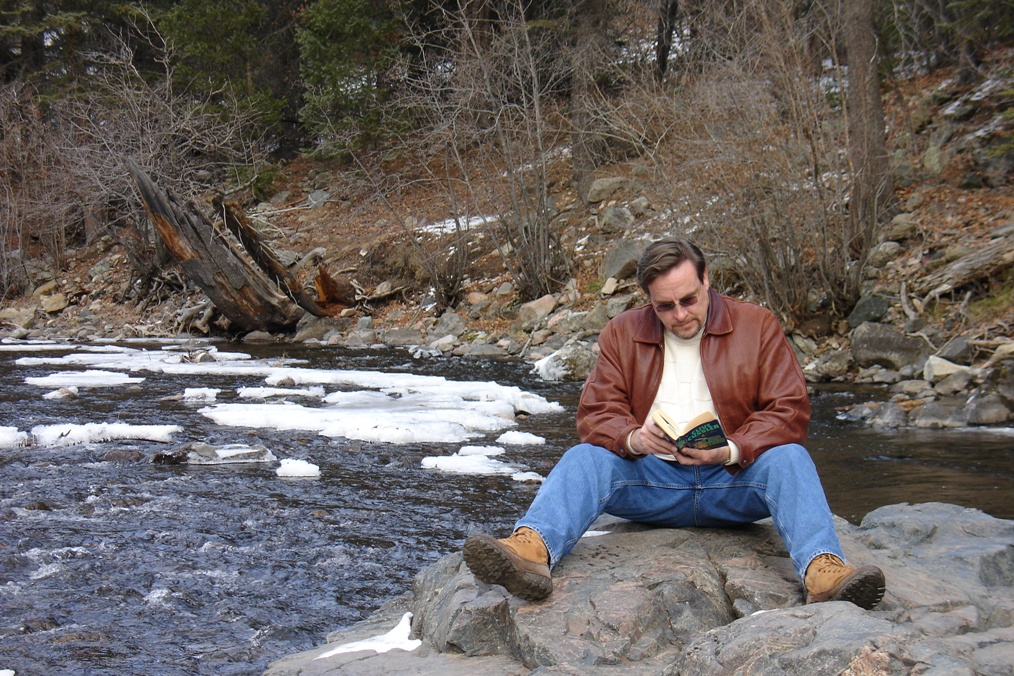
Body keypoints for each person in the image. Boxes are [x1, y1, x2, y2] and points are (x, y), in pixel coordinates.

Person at [463, 237, 886, 609]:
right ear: (648, 299)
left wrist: (731, 448)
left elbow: (790, 410)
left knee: (791, 457)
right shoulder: (621, 333)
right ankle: (531, 551)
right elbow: (596, 415)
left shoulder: (757, 325)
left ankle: (822, 574)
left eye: (688, 300)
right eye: (664, 306)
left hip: (733, 481)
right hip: (652, 484)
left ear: (706, 281)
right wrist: (635, 439)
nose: (679, 315)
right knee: (584, 458)